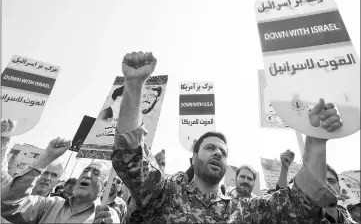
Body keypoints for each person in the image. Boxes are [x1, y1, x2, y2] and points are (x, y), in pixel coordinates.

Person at [111, 51, 345, 223]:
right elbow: (131, 155)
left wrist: (315, 138)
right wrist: (133, 85)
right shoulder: (164, 193)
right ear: (193, 157)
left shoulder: (247, 208)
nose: (217, 153)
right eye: (210, 148)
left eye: (223, 152)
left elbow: (302, 203)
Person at [1, 137, 120, 224]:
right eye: (85, 170)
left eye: (96, 173)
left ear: (104, 188)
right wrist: (47, 158)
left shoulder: (107, 216)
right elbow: (9, 204)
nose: (87, 175)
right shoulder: (49, 205)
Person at [275, 151, 356, 223]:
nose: (326, 185)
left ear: (339, 189)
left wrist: (331, 208)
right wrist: (284, 169)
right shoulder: (293, 214)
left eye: (331, 181)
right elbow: (282, 199)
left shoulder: (346, 215)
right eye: (318, 181)